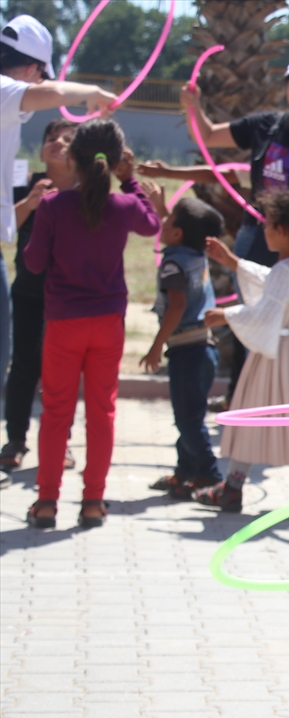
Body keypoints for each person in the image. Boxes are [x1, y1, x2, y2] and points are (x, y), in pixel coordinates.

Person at [180, 49, 289, 408]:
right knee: (250, 314)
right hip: (257, 234)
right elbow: (208, 136)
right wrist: (193, 105)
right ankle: (242, 398)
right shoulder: (264, 125)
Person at [22, 119, 160, 528]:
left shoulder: (53, 206)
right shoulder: (123, 206)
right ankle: (93, 502)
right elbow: (152, 225)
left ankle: (46, 502)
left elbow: (32, 263)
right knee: (102, 413)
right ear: (116, 161)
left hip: (64, 321)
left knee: (55, 412)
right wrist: (131, 182)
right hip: (108, 322)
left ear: (73, 158)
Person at [1, 15, 114, 489]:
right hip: (34, 291)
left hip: (64, 300)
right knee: (14, 358)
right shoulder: (6, 88)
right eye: (41, 76)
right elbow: (43, 97)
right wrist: (91, 94)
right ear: (31, 70)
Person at [195, 191, 289, 515]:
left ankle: (232, 487)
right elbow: (271, 285)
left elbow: (267, 309)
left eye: (267, 225)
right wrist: (232, 262)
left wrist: (226, 315)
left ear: (279, 230)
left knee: (252, 415)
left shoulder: (285, 270)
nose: (263, 231)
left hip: (275, 354)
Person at [1, 119, 78, 477]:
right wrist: (30, 204)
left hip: (71, 298)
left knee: (61, 372)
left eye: (66, 139)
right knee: (24, 366)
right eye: (51, 138)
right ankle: (15, 439)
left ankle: (61, 441)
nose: (57, 143)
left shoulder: (86, 193)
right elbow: (6, 231)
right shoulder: (24, 184)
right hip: (29, 292)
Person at [140, 194, 227, 499]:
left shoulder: (172, 264)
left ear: (177, 232)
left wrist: (155, 346)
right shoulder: (195, 253)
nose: (163, 221)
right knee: (191, 415)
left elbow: (176, 306)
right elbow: (184, 231)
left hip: (186, 351)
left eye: (168, 218)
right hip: (205, 349)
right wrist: (165, 209)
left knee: (187, 419)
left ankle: (210, 475)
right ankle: (185, 472)